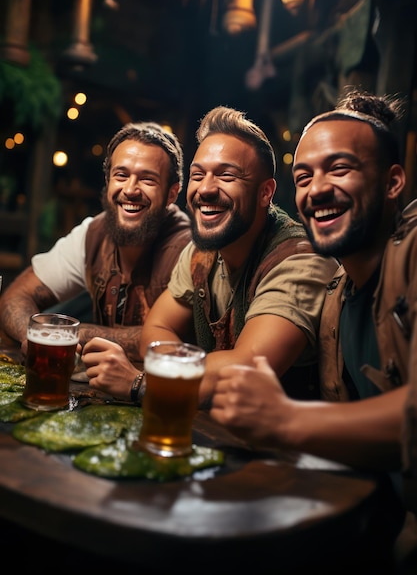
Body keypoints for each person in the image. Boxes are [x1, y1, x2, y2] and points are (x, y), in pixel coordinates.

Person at [209, 90, 417, 568]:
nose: (315, 189)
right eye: (303, 177)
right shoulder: (335, 293)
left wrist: (284, 419)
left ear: (392, 183)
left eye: (339, 169)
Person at [82, 106, 338, 406]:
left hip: (286, 448)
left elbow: (246, 369)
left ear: (265, 193)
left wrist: (142, 382)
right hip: (218, 430)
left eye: (226, 175)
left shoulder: (299, 259)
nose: (205, 189)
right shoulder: (201, 252)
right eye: (198, 175)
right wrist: (181, 374)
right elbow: (156, 328)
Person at [0, 121, 191, 368]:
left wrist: (67, 334)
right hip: (98, 394)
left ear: (171, 194)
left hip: (158, 394)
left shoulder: (189, 249)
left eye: (147, 179)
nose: (130, 189)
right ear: (108, 180)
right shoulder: (92, 233)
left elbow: (166, 342)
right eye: (121, 175)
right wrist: (34, 337)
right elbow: (16, 295)